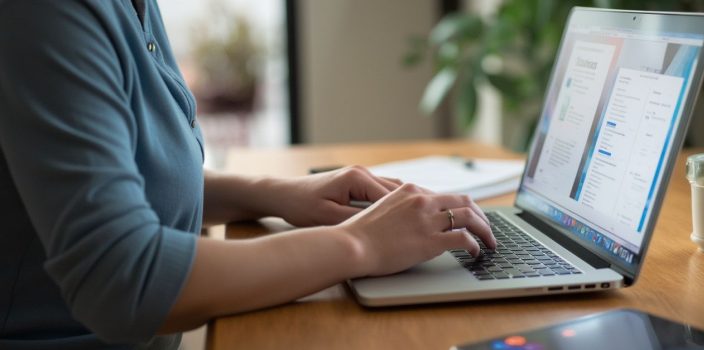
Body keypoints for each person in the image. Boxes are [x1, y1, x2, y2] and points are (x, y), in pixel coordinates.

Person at [0, 1, 494, 349]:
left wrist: (273, 194)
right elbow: (124, 282)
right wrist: (359, 245)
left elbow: (125, 178)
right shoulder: (46, 12)